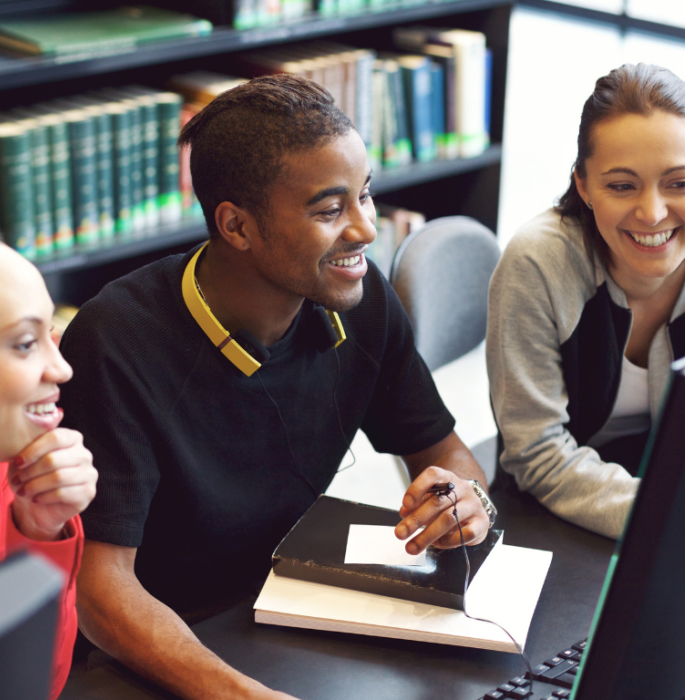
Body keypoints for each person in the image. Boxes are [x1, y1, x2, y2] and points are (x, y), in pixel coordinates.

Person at [58, 74, 496, 700]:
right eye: (329, 210)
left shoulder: (359, 300)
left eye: (365, 196)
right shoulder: (117, 340)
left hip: (284, 614)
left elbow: (444, 451)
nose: (366, 230)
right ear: (236, 226)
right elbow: (101, 591)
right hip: (150, 652)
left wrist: (466, 498)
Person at [487, 63, 685, 539]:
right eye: (622, 185)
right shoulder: (537, 262)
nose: (652, 212)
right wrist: (661, 517)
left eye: (678, 183)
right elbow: (537, 453)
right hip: (548, 511)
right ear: (583, 186)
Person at [0, 230, 97, 699]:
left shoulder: (5, 471)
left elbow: (33, 686)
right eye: (26, 344)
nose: (62, 369)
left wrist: (36, 529)